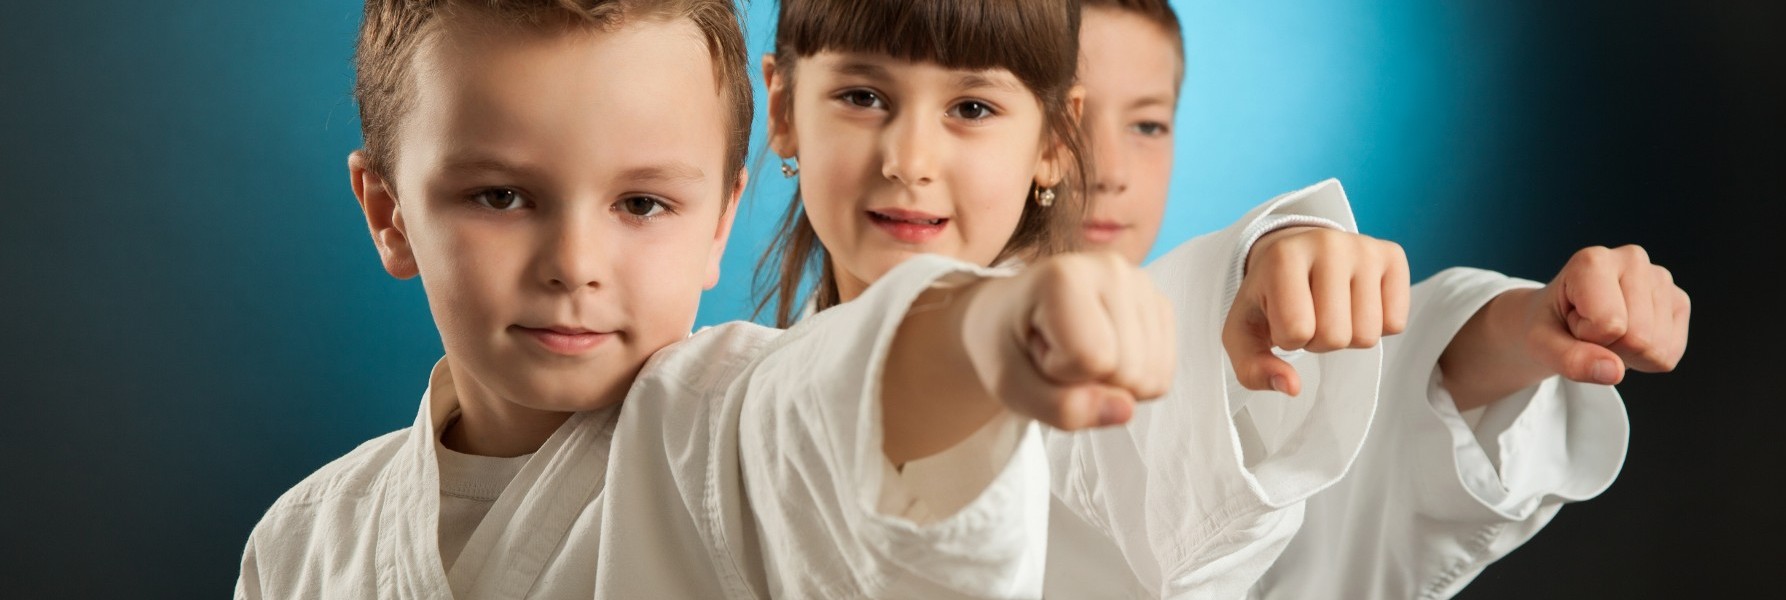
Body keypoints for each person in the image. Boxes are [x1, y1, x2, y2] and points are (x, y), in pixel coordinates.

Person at [234, 1, 1180, 597]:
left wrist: (993, 328)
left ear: (721, 219)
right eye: (500, 197)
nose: (574, 262)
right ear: (389, 212)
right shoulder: (305, 540)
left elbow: (856, 390)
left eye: (642, 203)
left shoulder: (728, 428)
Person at [753, 0, 1429, 596]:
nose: (910, 159)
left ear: (1052, 139)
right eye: (863, 96)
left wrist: (1263, 256)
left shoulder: (1066, 378)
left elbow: (1152, 432)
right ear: (781, 107)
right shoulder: (714, 394)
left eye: (972, 107)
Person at [1064, 1, 1693, 597]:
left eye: (1148, 123)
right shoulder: (990, 365)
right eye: (1063, 119)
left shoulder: (1219, 378)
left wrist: (1519, 328)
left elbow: (1351, 482)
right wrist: (1258, 250)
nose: (1108, 168)